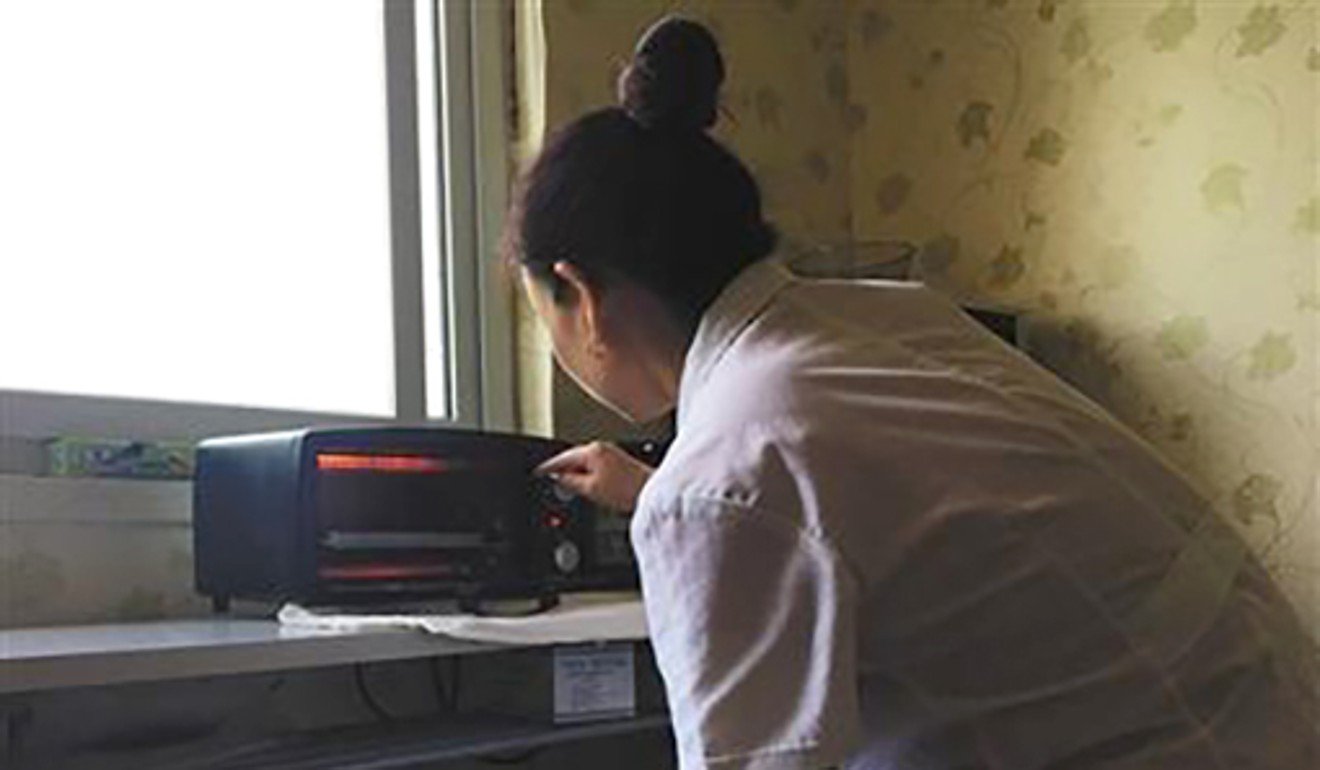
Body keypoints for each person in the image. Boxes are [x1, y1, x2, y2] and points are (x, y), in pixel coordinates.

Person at [506, 16, 1320, 770]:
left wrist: (682, 502)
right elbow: (880, 510)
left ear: (581, 295)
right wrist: (660, 492)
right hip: (1266, 710)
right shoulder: (881, 318)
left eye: (541, 311)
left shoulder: (729, 476)